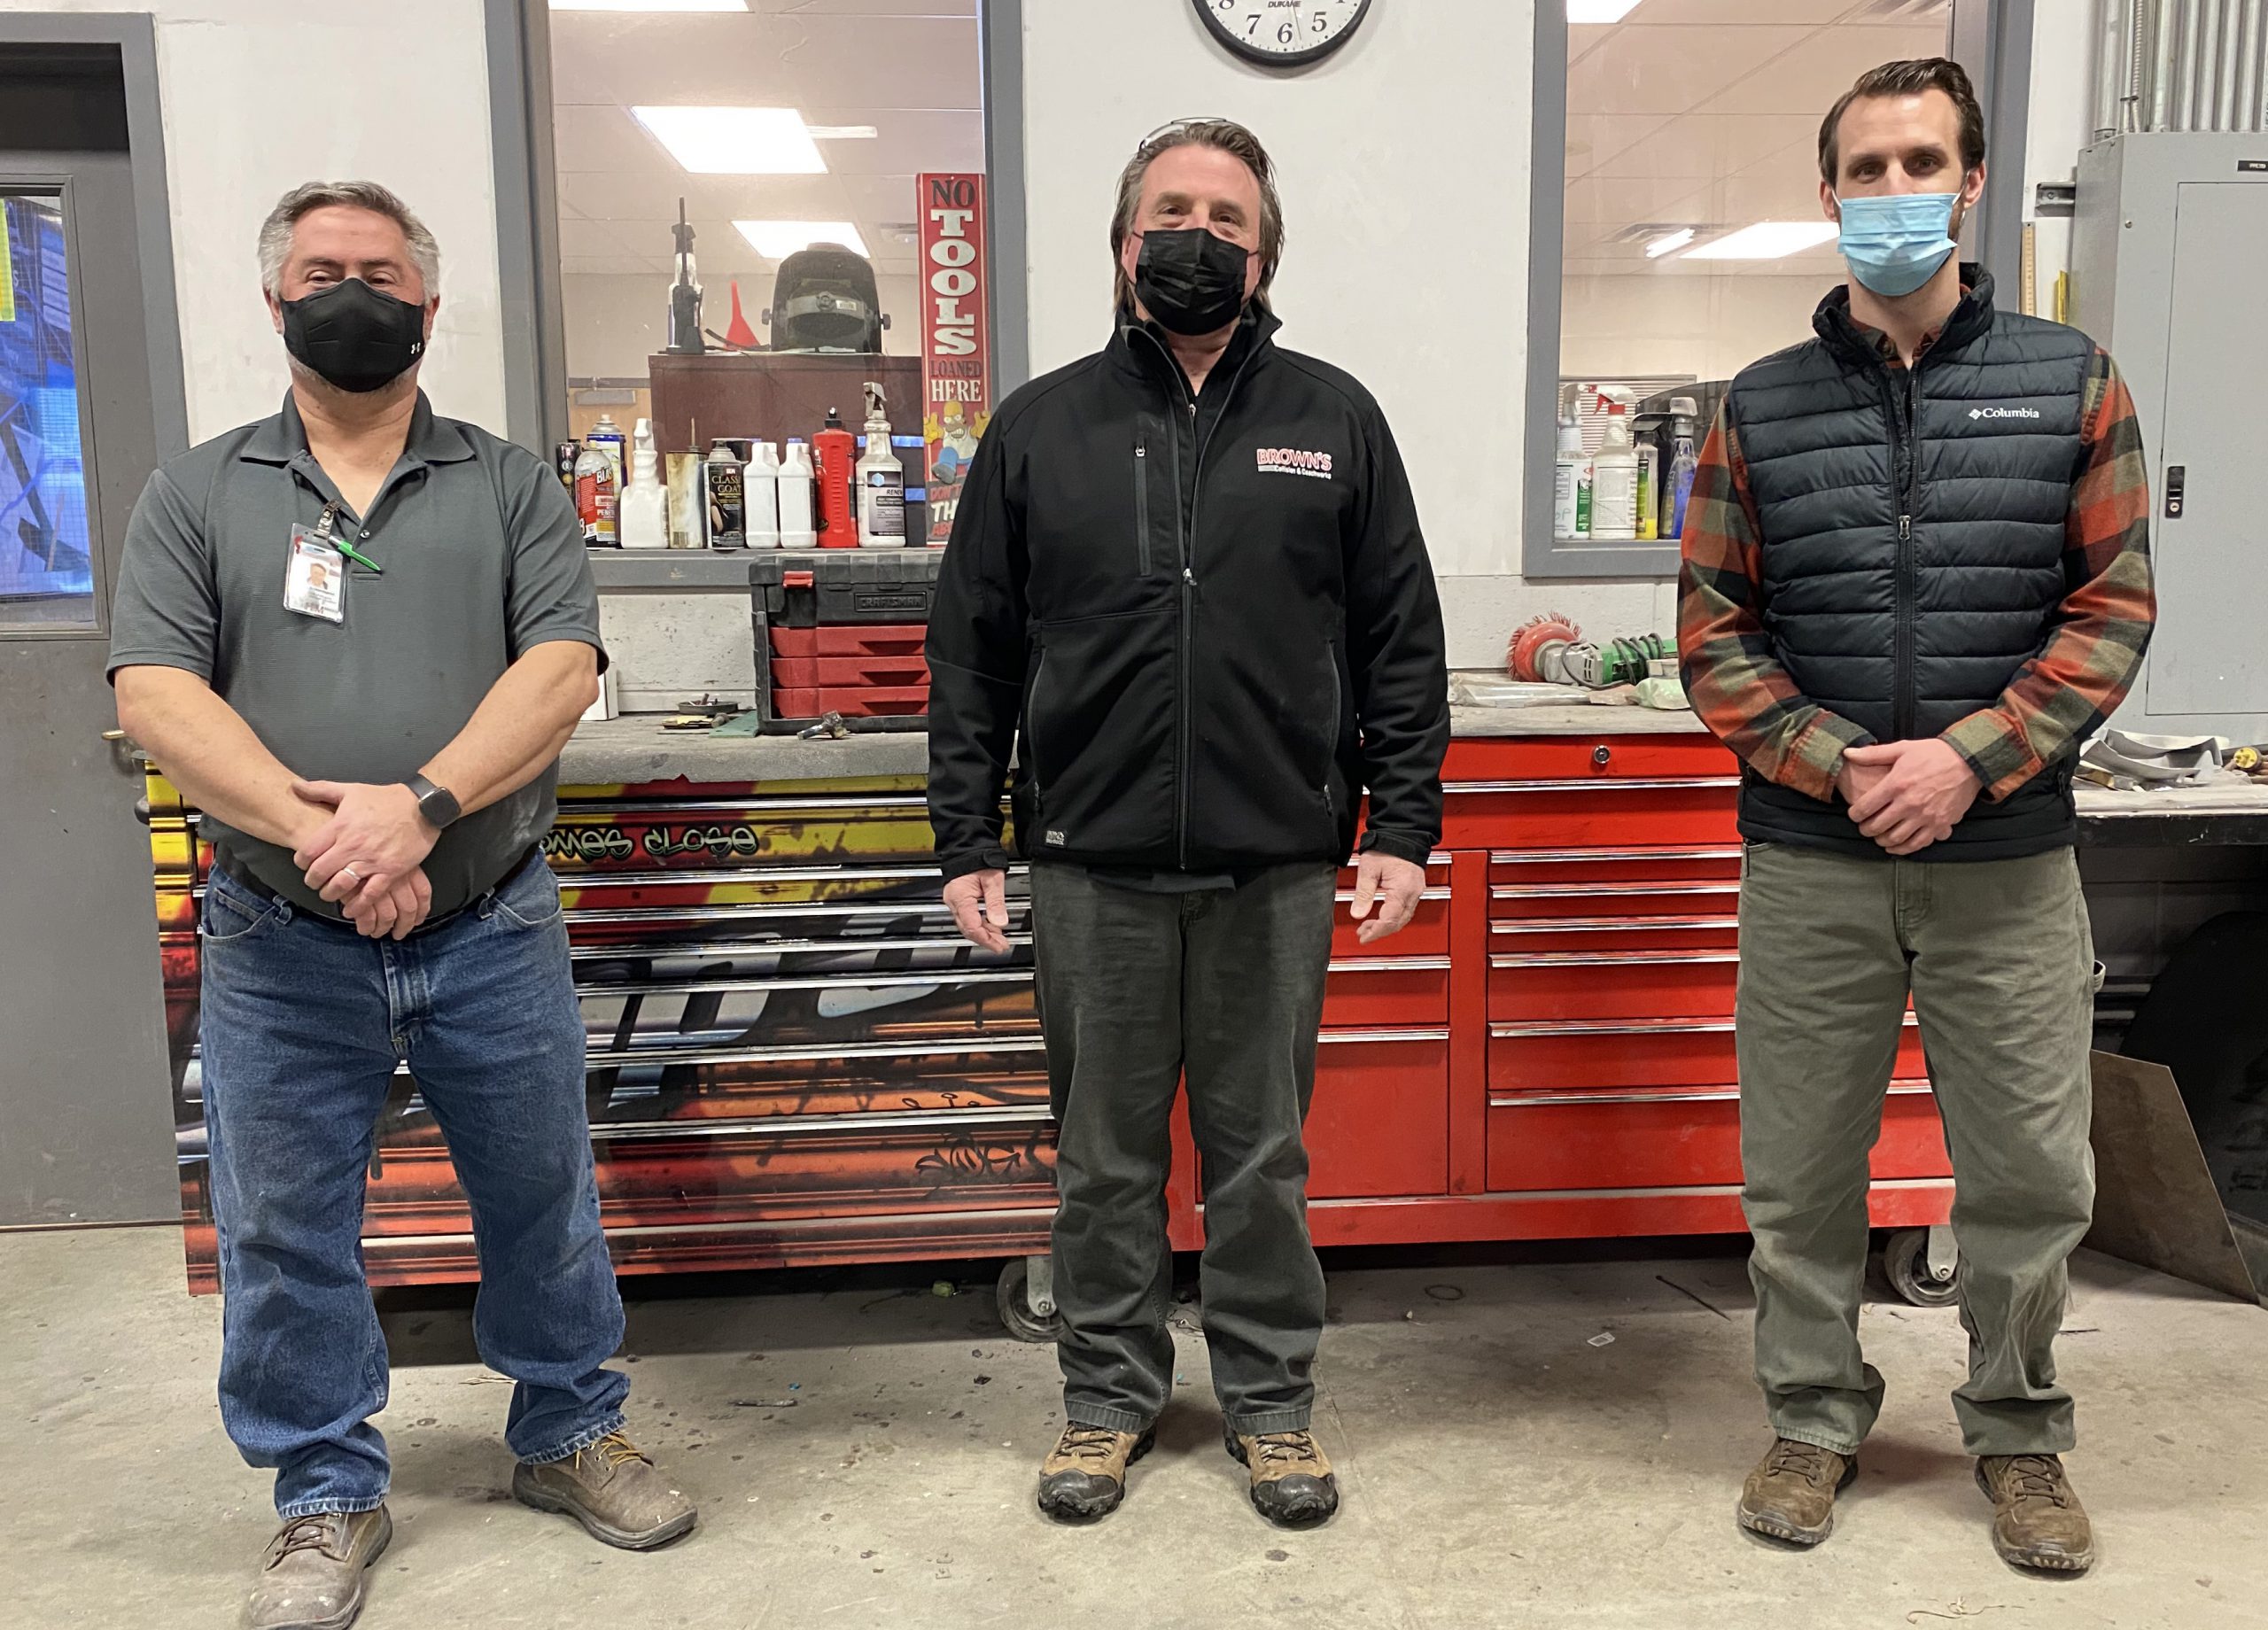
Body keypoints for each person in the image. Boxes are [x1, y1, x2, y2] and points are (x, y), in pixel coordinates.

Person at [108, 181, 695, 1630]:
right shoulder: (198, 492)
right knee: (285, 1222)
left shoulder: (508, 485)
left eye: (379, 270)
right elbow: (155, 693)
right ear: (275, 301)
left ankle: (568, 1436)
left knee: (543, 1196)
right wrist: (320, 832)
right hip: (275, 928)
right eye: (322, 270)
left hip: (488, 914)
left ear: (429, 306)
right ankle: (322, 1491)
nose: (351, 290)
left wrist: (418, 807)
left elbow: (561, 670)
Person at [926, 118, 1449, 1529]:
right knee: (1103, 1161)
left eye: (1227, 217)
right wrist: (970, 835)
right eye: (1173, 210)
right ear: (1121, 241)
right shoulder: (1041, 426)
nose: (1198, 236)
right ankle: (1108, 1399)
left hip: (1275, 860)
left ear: (1265, 250)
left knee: (1263, 1156)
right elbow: (970, 645)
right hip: (1089, 860)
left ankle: (1272, 1403)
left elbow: (1402, 636)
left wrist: (1401, 821)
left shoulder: (1333, 419)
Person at [1679, 60, 2154, 1574]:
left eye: (1921, 162)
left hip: (2007, 858)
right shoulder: (1757, 406)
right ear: (1831, 196)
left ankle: (2019, 1435)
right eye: (1865, 168)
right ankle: (1815, 1418)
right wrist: (1836, 762)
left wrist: (1971, 758)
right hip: (1812, 858)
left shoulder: (2070, 378)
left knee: (2030, 1174)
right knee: (1798, 1171)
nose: (1894, 190)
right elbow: (1711, 629)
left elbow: (2113, 610)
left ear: (1968, 183)